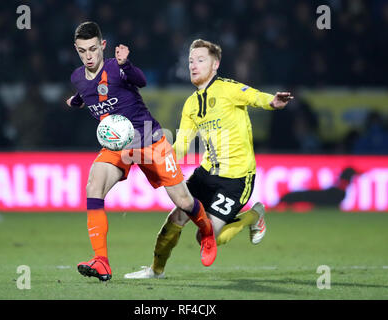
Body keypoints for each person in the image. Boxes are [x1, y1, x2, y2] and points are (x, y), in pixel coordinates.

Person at [124, 39, 293, 279]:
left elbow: (255, 97)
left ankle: (254, 215)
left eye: (200, 60)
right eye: (191, 61)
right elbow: (182, 144)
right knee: (177, 216)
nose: (193, 65)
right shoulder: (191, 104)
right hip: (206, 173)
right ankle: (155, 270)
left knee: (206, 236)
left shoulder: (228, 89)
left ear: (215, 65)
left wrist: (272, 102)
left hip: (236, 178)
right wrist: (156, 158)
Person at [66, 22, 217, 282]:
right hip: (117, 146)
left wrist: (126, 64)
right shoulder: (77, 77)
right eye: (82, 51)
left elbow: (141, 81)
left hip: (150, 140)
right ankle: (101, 261)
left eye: (92, 49)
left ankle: (206, 231)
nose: (88, 56)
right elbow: (87, 92)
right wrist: (76, 100)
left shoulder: (116, 67)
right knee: (93, 187)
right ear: (76, 50)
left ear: (103, 46)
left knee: (183, 201)